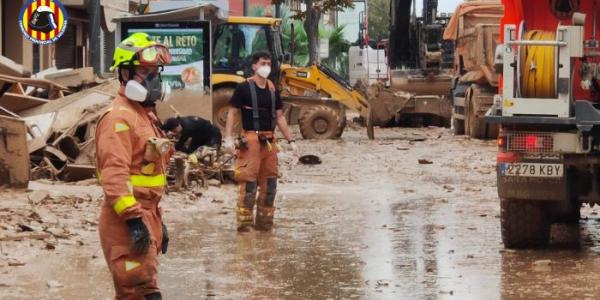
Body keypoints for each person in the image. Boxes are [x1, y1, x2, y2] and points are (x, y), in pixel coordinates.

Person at [95, 32, 173, 300]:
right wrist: (134, 220)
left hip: (145, 216)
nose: (153, 79)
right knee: (140, 294)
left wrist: (156, 222)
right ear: (125, 75)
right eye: (144, 71)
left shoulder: (144, 115)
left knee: (140, 291)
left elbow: (147, 175)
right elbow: (114, 177)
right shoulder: (118, 118)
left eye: (155, 72)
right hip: (125, 222)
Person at [223, 51, 298, 232]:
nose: (266, 67)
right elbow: (232, 113)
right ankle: (245, 226)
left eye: (269, 63)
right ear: (254, 66)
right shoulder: (243, 88)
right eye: (263, 63)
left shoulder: (273, 90)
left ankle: (264, 225)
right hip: (251, 140)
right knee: (248, 183)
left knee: (270, 183)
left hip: (270, 141)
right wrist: (228, 139)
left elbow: (279, 117)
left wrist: (291, 141)